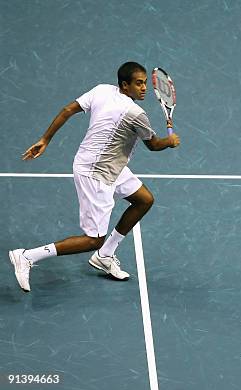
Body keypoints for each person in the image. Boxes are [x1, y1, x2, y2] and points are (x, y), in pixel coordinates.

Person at [9, 61, 180, 292]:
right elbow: (155, 145)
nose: (144, 88)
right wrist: (170, 142)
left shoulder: (102, 90)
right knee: (93, 239)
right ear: (124, 85)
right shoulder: (136, 114)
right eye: (138, 83)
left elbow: (67, 110)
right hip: (96, 173)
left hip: (105, 163)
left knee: (144, 200)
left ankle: (105, 255)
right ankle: (27, 256)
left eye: (144, 84)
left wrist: (45, 139)